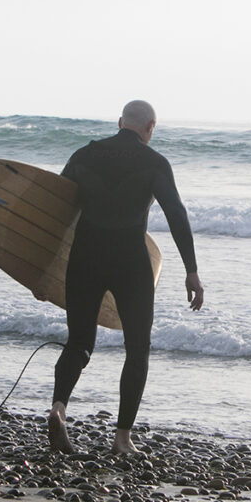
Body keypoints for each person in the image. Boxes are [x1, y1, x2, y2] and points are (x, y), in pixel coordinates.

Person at [49, 100, 204, 455]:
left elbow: (54, 206)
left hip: (84, 257)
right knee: (137, 349)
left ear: (120, 122)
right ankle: (121, 438)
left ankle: (58, 408)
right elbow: (176, 214)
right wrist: (191, 270)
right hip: (131, 263)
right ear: (150, 127)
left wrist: (44, 270)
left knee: (79, 342)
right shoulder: (154, 163)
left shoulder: (84, 155)